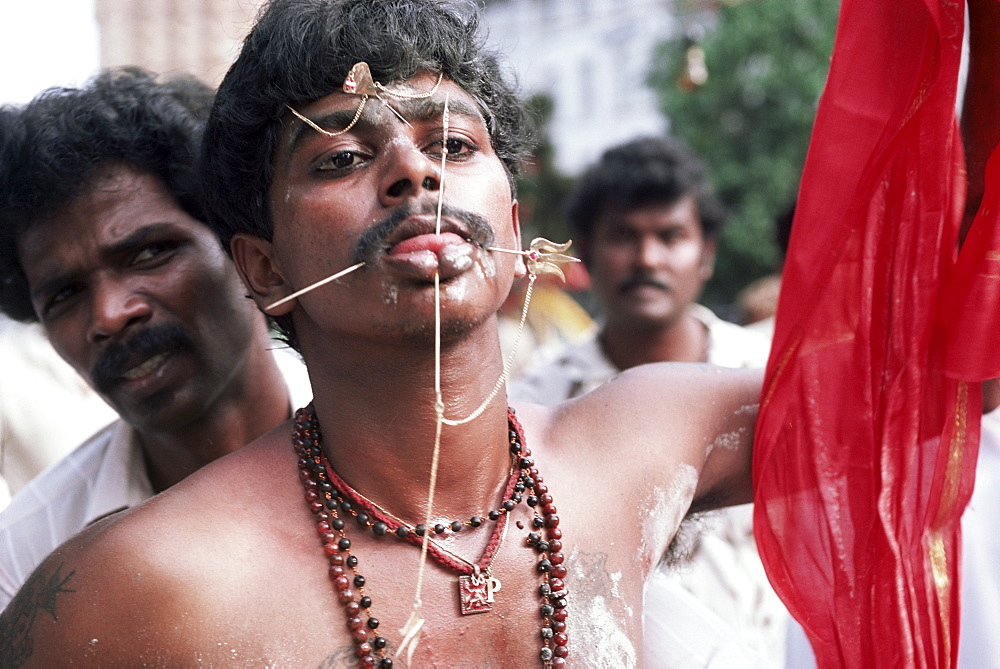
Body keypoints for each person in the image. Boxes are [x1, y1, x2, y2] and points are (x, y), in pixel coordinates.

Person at [0, 3, 761, 666]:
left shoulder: (646, 439)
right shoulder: (132, 589)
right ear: (262, 269)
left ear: (515, 225)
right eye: (341, 158)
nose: (412, 170)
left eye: (455, 146)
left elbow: (878, 393)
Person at [0, 67, 310, 611]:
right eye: (64, 295)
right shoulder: (30, 563)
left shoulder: (401, 453)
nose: (110, 315)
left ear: (249, 256)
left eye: (149, 253)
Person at [509, 136, 783, 666]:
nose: (647, 258)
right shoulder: (536, 407)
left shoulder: (769, 378)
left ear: (706, 253)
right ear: (585, 248)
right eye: (623, 236)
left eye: (670, 235)